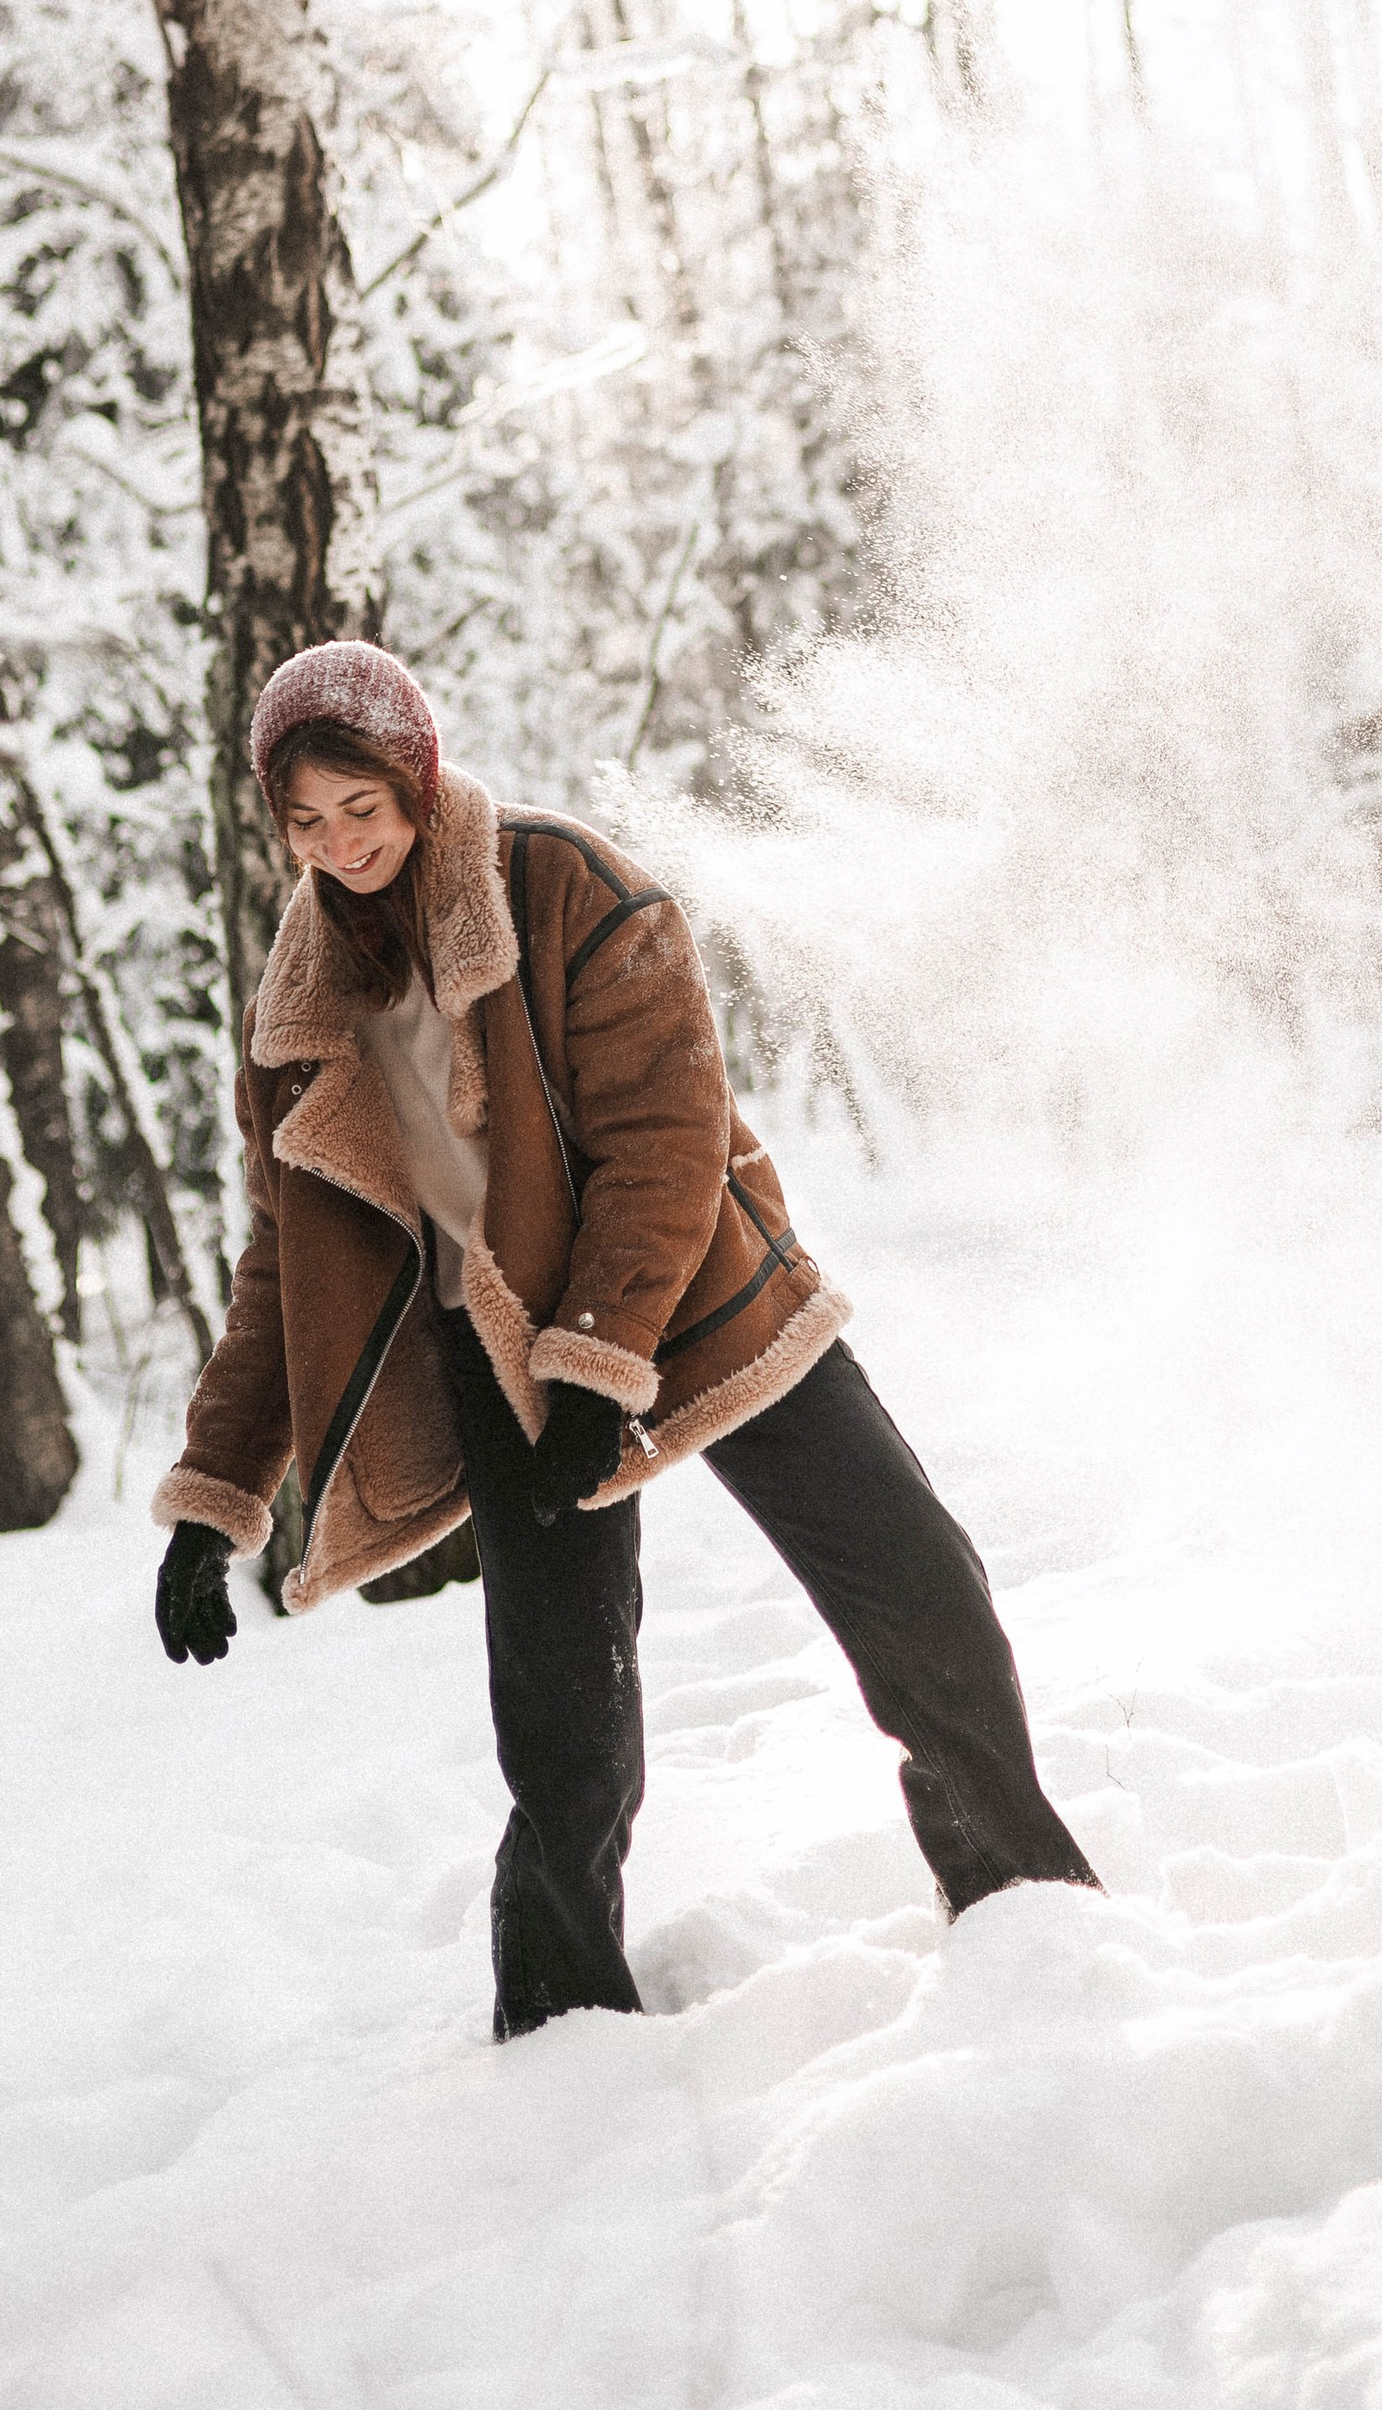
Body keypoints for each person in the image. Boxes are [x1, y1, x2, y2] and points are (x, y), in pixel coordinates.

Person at [151, 640, 1096, 2035]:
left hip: (701, 1302)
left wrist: (599, 1356)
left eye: (365, 808)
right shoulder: (299, 1008)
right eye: (308, 823)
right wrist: (215, 1505)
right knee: (560, 1713)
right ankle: (558, 2017)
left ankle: (1026, 1904)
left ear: (414, 778)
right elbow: (283, 1261)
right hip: (502, 1355)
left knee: (911, 1585)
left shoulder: (562, 884)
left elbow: (670, 1135)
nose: (343, 847)